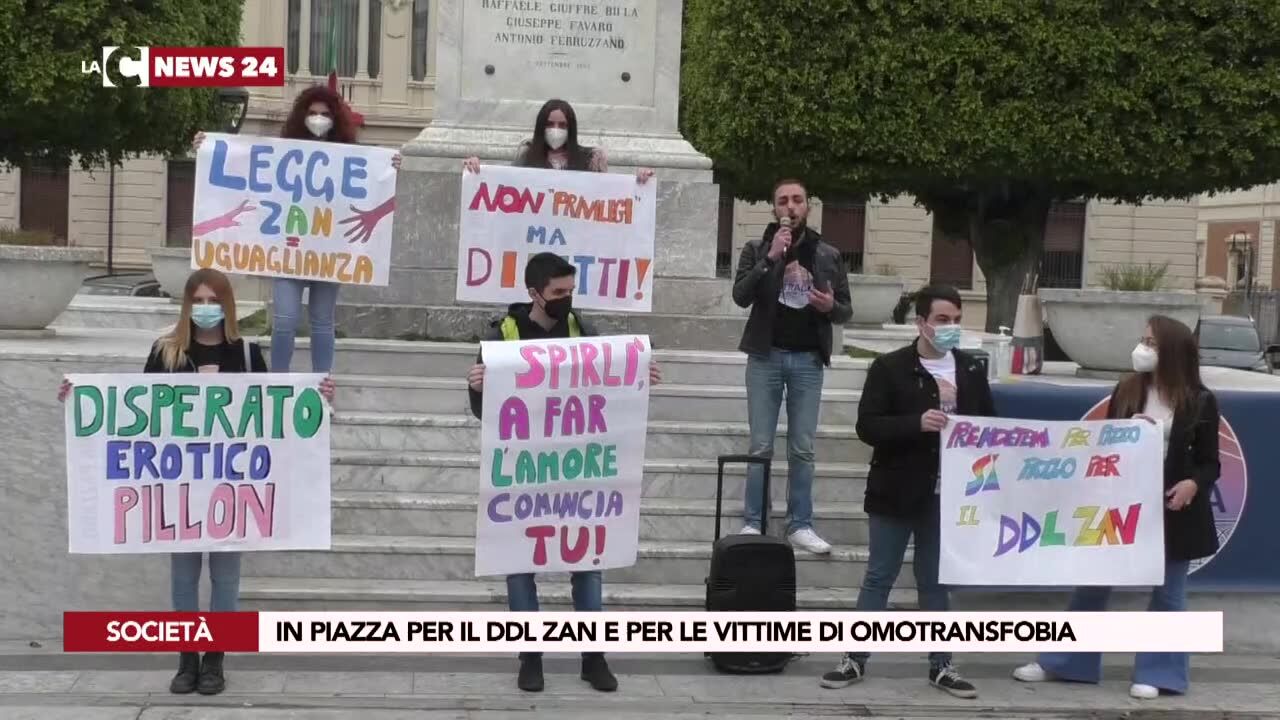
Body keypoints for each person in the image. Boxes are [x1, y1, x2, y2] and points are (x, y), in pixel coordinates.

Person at [57, 268, 336, 696]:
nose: (206, 309)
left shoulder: (246, 355)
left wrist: (315, 398)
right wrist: (79, 398)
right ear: (188, 305)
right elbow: (135, 415)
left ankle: (215, 661)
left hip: (232, 490)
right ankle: (187, 658)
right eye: (199, 301)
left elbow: (272, 417)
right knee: (183, 579)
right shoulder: (166, 353)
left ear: (227, 305)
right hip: (178, 490)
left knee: (226, 580)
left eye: (214, 301)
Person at [467, 252, 660, 693]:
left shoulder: (583, 331)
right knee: (519, 565)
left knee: (588, 564)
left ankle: (593, 657)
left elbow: (610, 389)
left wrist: (638, 376)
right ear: (534, 293)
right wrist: (476, 386)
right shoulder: (503, 335)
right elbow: (486, 414)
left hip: (577, 470)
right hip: (524, 472)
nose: (566, 300)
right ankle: (530, 657)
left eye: (570, 291)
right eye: (558, 293)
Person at [1013, 315, 1221, 699]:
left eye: (1152, 343)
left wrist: (1192, 484)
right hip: (1119, 505)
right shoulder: (1125, 390)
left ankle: (1160, 673)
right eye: (1142, 340)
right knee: (1092, 583)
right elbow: (1103, 446)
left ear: (1172, 352)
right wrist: (1129, 434)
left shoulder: (1201, 400)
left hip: (1174, 511)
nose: (1142, 349)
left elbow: (1210, 462)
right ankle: (1064, 662)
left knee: (1169, 594)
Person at [820, 284, 991, 698]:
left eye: (956, 320)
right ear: (921, 323)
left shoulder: (969, 370)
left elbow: (990, 428)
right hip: (896, 490)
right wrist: (916, 422)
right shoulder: (890, 368)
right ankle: (854, 659)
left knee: (934, 581)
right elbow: (868, 426)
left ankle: (942, 665)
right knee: (880, 575)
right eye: (942, 320)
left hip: (946, 495)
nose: (950, 328)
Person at [193, 84, 401, 374]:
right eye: (312, 113)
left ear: (335, 117)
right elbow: (244, 165)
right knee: (285, 321)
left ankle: (321, 386)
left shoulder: (351, 156)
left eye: (324, 113)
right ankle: (278, 384)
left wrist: (389, 169)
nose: (318, 119)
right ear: (301, 116)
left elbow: (370, 187)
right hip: (288, 253)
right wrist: (207, 148)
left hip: (327, 253)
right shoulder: (283, 151)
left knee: (322, 322)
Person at [731, 178, 852, 554]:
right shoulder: (756, 249)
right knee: (761, 445)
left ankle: (800, 523)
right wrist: (771, 258)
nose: (790, 207)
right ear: (774, 209)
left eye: (797, 200)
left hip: (807, 360)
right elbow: (740, 296)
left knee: (802, 447)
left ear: (808, 207)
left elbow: (845, 309)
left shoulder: (828, 254)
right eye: (783, 201)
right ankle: (754, 521)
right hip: (765, 356)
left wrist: (829, 306)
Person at [462, 97, 653, 182]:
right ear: (540, 127)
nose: (556, 130)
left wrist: (638, 181)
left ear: (571, 129)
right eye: (550, 124)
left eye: (562, 125)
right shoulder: (527, 154)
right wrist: (477, 170)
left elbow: (607, 198)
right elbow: (505, 187)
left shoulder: (592, 159)